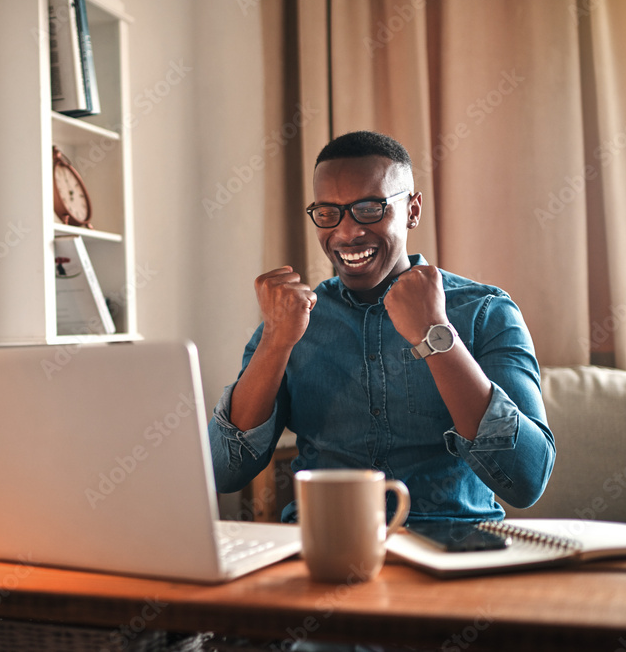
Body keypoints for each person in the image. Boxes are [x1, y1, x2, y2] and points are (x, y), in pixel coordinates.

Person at [208, 130, 555, 524]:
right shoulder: (290, 322)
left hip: (454, 555)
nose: (347, 232)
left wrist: (434, 336)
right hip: (322, 554)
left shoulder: (485, 312)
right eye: (327, 213)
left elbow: (526, 479)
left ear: (412, 210)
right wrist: (275, 342)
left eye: (370, 208)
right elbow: (224, 472)